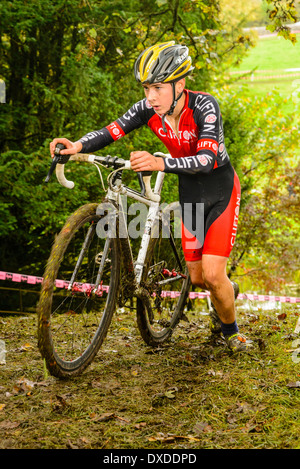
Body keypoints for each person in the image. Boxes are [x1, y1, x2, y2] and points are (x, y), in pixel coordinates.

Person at [50, 41, 252, 352]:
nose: (150, 96)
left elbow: (206, 161)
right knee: (198, 279)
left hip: (221, 192)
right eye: (146, 88)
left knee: (213, 274)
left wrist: (160, 163)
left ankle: (231, 332)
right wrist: (77, 145)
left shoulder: (205, 107)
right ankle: (228, 289)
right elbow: (112, 130)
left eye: (158, 87)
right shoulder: (149, 109)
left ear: (179, 84)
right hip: (190, 195)